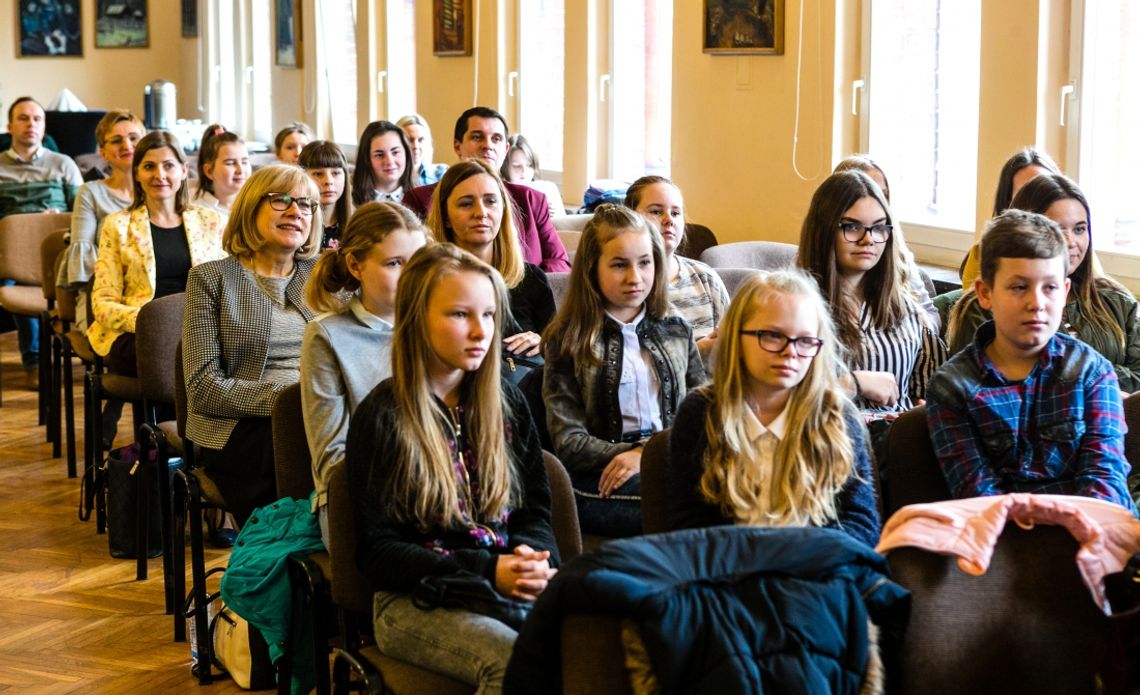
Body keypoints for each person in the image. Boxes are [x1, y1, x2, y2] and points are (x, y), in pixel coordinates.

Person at [346, 243, 557, 693]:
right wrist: (485, 570)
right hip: (416, 599)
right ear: (418, 318)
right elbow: (378, 553)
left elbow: (534, 508)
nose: (481, 331)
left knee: (599, 644)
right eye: (460, 315)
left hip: (501, 584)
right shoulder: (384, 416)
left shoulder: (507, 401)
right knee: (515, 665)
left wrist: (531, 559)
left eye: (489, 315)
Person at [926, 209, 1136, 512]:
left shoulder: (1093, 373)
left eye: (1049, 287)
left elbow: (1105, 479)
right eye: (1019, 287)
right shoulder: (951, 388)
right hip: (1005, 542)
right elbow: (980, 496)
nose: (1036, 303)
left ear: (1064, 292)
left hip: (1096, 532)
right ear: (985, 293)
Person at [667, 269, 880, 548]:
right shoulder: (701, 412)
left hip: (816, 573)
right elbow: (688, 525)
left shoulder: (836, 416)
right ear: (736, 336)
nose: (791, 351)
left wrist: (803, 555)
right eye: (773, 336)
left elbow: (862, 521)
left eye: (805, 340)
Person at [542, 204, 706, 537]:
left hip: (670, 460)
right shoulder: (568, 339)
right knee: (690, 506)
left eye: (645, 263)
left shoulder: (676, 328)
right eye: (619, 265)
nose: (635, 277)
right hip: (599, 477)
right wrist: (631, 454)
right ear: (592, 268)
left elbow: (702, 413)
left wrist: (647, 452)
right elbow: (569, 442)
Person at [182, 164, 322, 526]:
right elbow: (202, 388)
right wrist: (290, 399)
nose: (296, 211)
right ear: (250, 207)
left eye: (307, 205)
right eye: (282, 200)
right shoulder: (210, 279)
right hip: (242, 427)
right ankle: (285, 562)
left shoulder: (322, 275)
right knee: (300, 449)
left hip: (321, 413)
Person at [301, 202, 429, 545]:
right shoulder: (328, 335)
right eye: (393, 264)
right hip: (362, 500)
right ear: (356, 266)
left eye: (416, 263)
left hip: (441, 485)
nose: (410, 275)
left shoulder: (435, 325)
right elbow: (333, 458)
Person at [948, 174, 1140, 392]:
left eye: (1079, 229)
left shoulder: (1116, 300)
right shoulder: (984, 307)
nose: (1070, 242)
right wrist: (1100, 382)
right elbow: (988, 388)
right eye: (1057, 230)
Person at [796, 170, 945, 431]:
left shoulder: (905, 309)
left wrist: (926, 410)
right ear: (825, 230)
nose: (868, 240)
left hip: (895, 447)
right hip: (826, 446)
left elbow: (929, 392)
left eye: (878, 228)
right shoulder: (794, 307)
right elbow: (774, 399)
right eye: (852, 227)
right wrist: (852, 383)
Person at [89, 130, 224, 378]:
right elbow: (102, 304)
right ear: (137, 173)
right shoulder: (117, 225)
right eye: (149, 166)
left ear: (183, 171)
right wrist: (155, 321)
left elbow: (226, 288)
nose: (159, 175)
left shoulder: (209, 221)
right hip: (139, 331)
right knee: (175, 355)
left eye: (168, 166)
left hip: (198, 329)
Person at [402, 106, 570, 272]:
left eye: (496, 139)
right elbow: (409, 265)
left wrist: (531, 286)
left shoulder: (531, 199)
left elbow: (559, 261)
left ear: (505, 150)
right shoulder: (420, 199)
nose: (487, 145)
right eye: (477, 137)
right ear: (457, 146)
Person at [426, 160, 554, 361]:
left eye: (491, 201)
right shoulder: (427, 281)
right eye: (466, 203)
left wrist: (543, 342)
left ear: (503, 210)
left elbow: (559, 355)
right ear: (446, 217)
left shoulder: (531, 279)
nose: (481, 213)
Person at [0, 96, 84, 387]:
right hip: (11, 254)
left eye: (37, 119)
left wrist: (56, 217)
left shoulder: (63, 164)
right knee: (13, 284)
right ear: (10, 126)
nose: (31, 124)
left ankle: (84, 355)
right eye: (23, 118)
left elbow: (81, 213)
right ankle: (34, 360)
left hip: (57, 251)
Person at [625, 175, 729, 359]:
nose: (668, 220)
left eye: (675, 213)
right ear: (630, 218)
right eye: (656, 212)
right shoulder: (625, 284)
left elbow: (732, 347)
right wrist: (696, 352)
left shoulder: (705, 277)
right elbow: (626, 368)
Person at [60, 109, 146, 331]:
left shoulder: (159, 189)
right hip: (103, 294)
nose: (127, 146)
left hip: (150, 292)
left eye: (134, 138)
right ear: (103, 152)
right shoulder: (90, 193)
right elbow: (85, 261)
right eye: (116, 141)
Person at [832, 155, 938, 328]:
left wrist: (914, 322)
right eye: (867, 193)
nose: (877, 202)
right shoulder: (813, 260)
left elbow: (931, 314)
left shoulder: (899, 254)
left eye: (884, 195)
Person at [960, 147, 1060, 290]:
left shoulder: (1075, 246)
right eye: (1025, 193)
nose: (1038, 200)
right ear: (1008, 202)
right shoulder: (982, 252)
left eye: (1046, 190)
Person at [298, 140, 352, 249]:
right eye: (318, 174)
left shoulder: (357, 224)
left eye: (336, 173)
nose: (328, 181)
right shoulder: (295, 225)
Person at [351, 121, 414, 206]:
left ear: (406, 153)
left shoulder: (420, 198)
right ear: (367, 159)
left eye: (395, 152)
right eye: (379, 155)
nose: (389, 161)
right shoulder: (350, 199)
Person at [194, 124, 251, 219]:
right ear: (209, 171)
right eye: (230, 163)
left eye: (244, 162)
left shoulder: (258, 206)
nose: (240, 170)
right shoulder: (197, 212)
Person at [501, 134, 565, 218]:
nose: (524, 171)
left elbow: (561, 221)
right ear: (505, 167)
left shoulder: (547, 188)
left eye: (529, 165)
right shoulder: (498, 191)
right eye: (517, 166)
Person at [397, 114, 448, 186]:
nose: (415, 146)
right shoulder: (391, 176)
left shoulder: (440, 174)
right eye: (410, 140)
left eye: (420, 140)